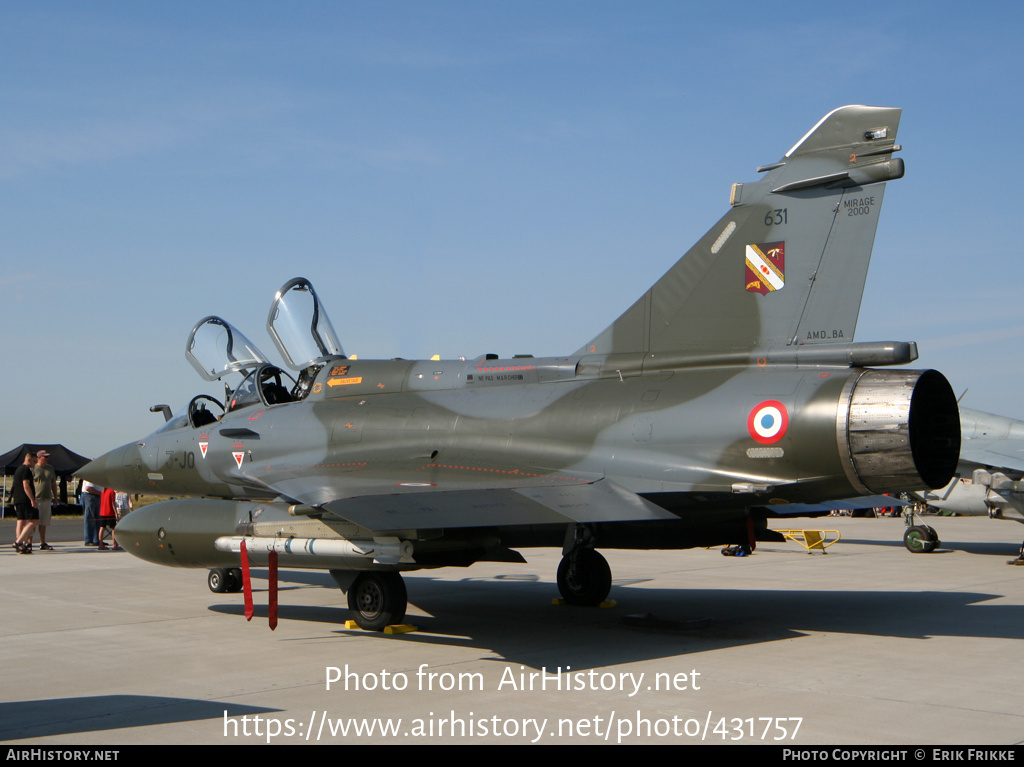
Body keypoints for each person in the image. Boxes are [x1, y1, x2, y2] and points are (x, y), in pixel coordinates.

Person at [12, 452, 38, 554]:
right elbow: (26, 485)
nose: (35, 463)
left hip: (18, 499)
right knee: (35, 520)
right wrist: (32, 499)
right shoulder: (26, 470)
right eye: (34, 461)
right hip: (25, 500)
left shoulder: (18, 470)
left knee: (21, 521)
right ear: (29, 460)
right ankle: (18, 541)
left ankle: (21, 544)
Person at [32, 450, 59, 550]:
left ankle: (42, 542)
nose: (47, 459)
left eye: (48, 457)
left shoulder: (50, 468)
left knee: (44, 522)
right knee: (33, 522)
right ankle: (29, 542)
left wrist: (55, 498)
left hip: (47, 498)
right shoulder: (33, 468)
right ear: (39, 458)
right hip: (36, 498)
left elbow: (53, 484)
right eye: (45, 457)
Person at [81, 479, 102, 546]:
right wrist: (101, 493)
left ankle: (97, 539)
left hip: (97, 495)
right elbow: (88, 488)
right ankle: (89, 540)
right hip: (90, 496)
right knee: (90, 518)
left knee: (98, 518)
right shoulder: (93, 475)